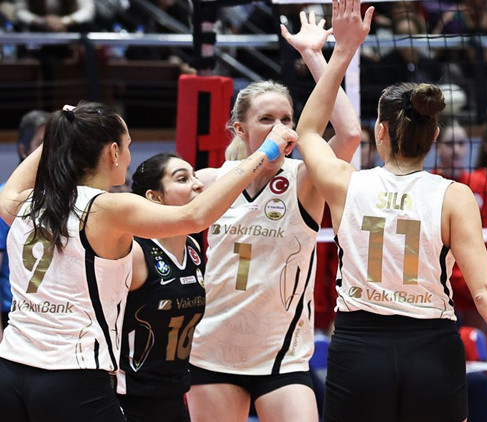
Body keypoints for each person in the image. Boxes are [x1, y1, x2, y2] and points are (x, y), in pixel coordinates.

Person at [293, 1, 487, 421]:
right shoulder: (454, 195)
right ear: (435, 135)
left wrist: (339, 53)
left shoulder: (345, 182)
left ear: (380, 132)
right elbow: (486, 292)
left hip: (360, 348)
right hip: (431, 348)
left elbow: (309, 130)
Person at [0, 101, 295, 422]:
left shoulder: (26, 202)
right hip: (72, 378)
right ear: (114, 152)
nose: (129, 156)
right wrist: (265, 152)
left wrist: (62, 134)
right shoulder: (108, 208)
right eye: (128, 146)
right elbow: (196, 216)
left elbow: (9, 192)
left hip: (10, 371)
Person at [185, 11, 362, 422]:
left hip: (282, 355)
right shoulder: (210, 180)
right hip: (213, 351)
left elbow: (350, 134)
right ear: (239, 130)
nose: (280, 128)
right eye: (267, 120)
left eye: (286, 119)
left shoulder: (305, 178)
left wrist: (315, 56)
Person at [115, 153, 206, 422]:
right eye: (183, 179)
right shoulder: (135, 252)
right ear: (155, 197)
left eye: (195, 175)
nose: (198, 184)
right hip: (130, 399)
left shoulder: (192, 247)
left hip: (174, 395)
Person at [0, 109, 49, 341]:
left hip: (56, 314)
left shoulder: (70, 197)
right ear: (23, 150)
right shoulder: (5, 200)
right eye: (42, 144)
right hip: (13, 315)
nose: (51, 152)